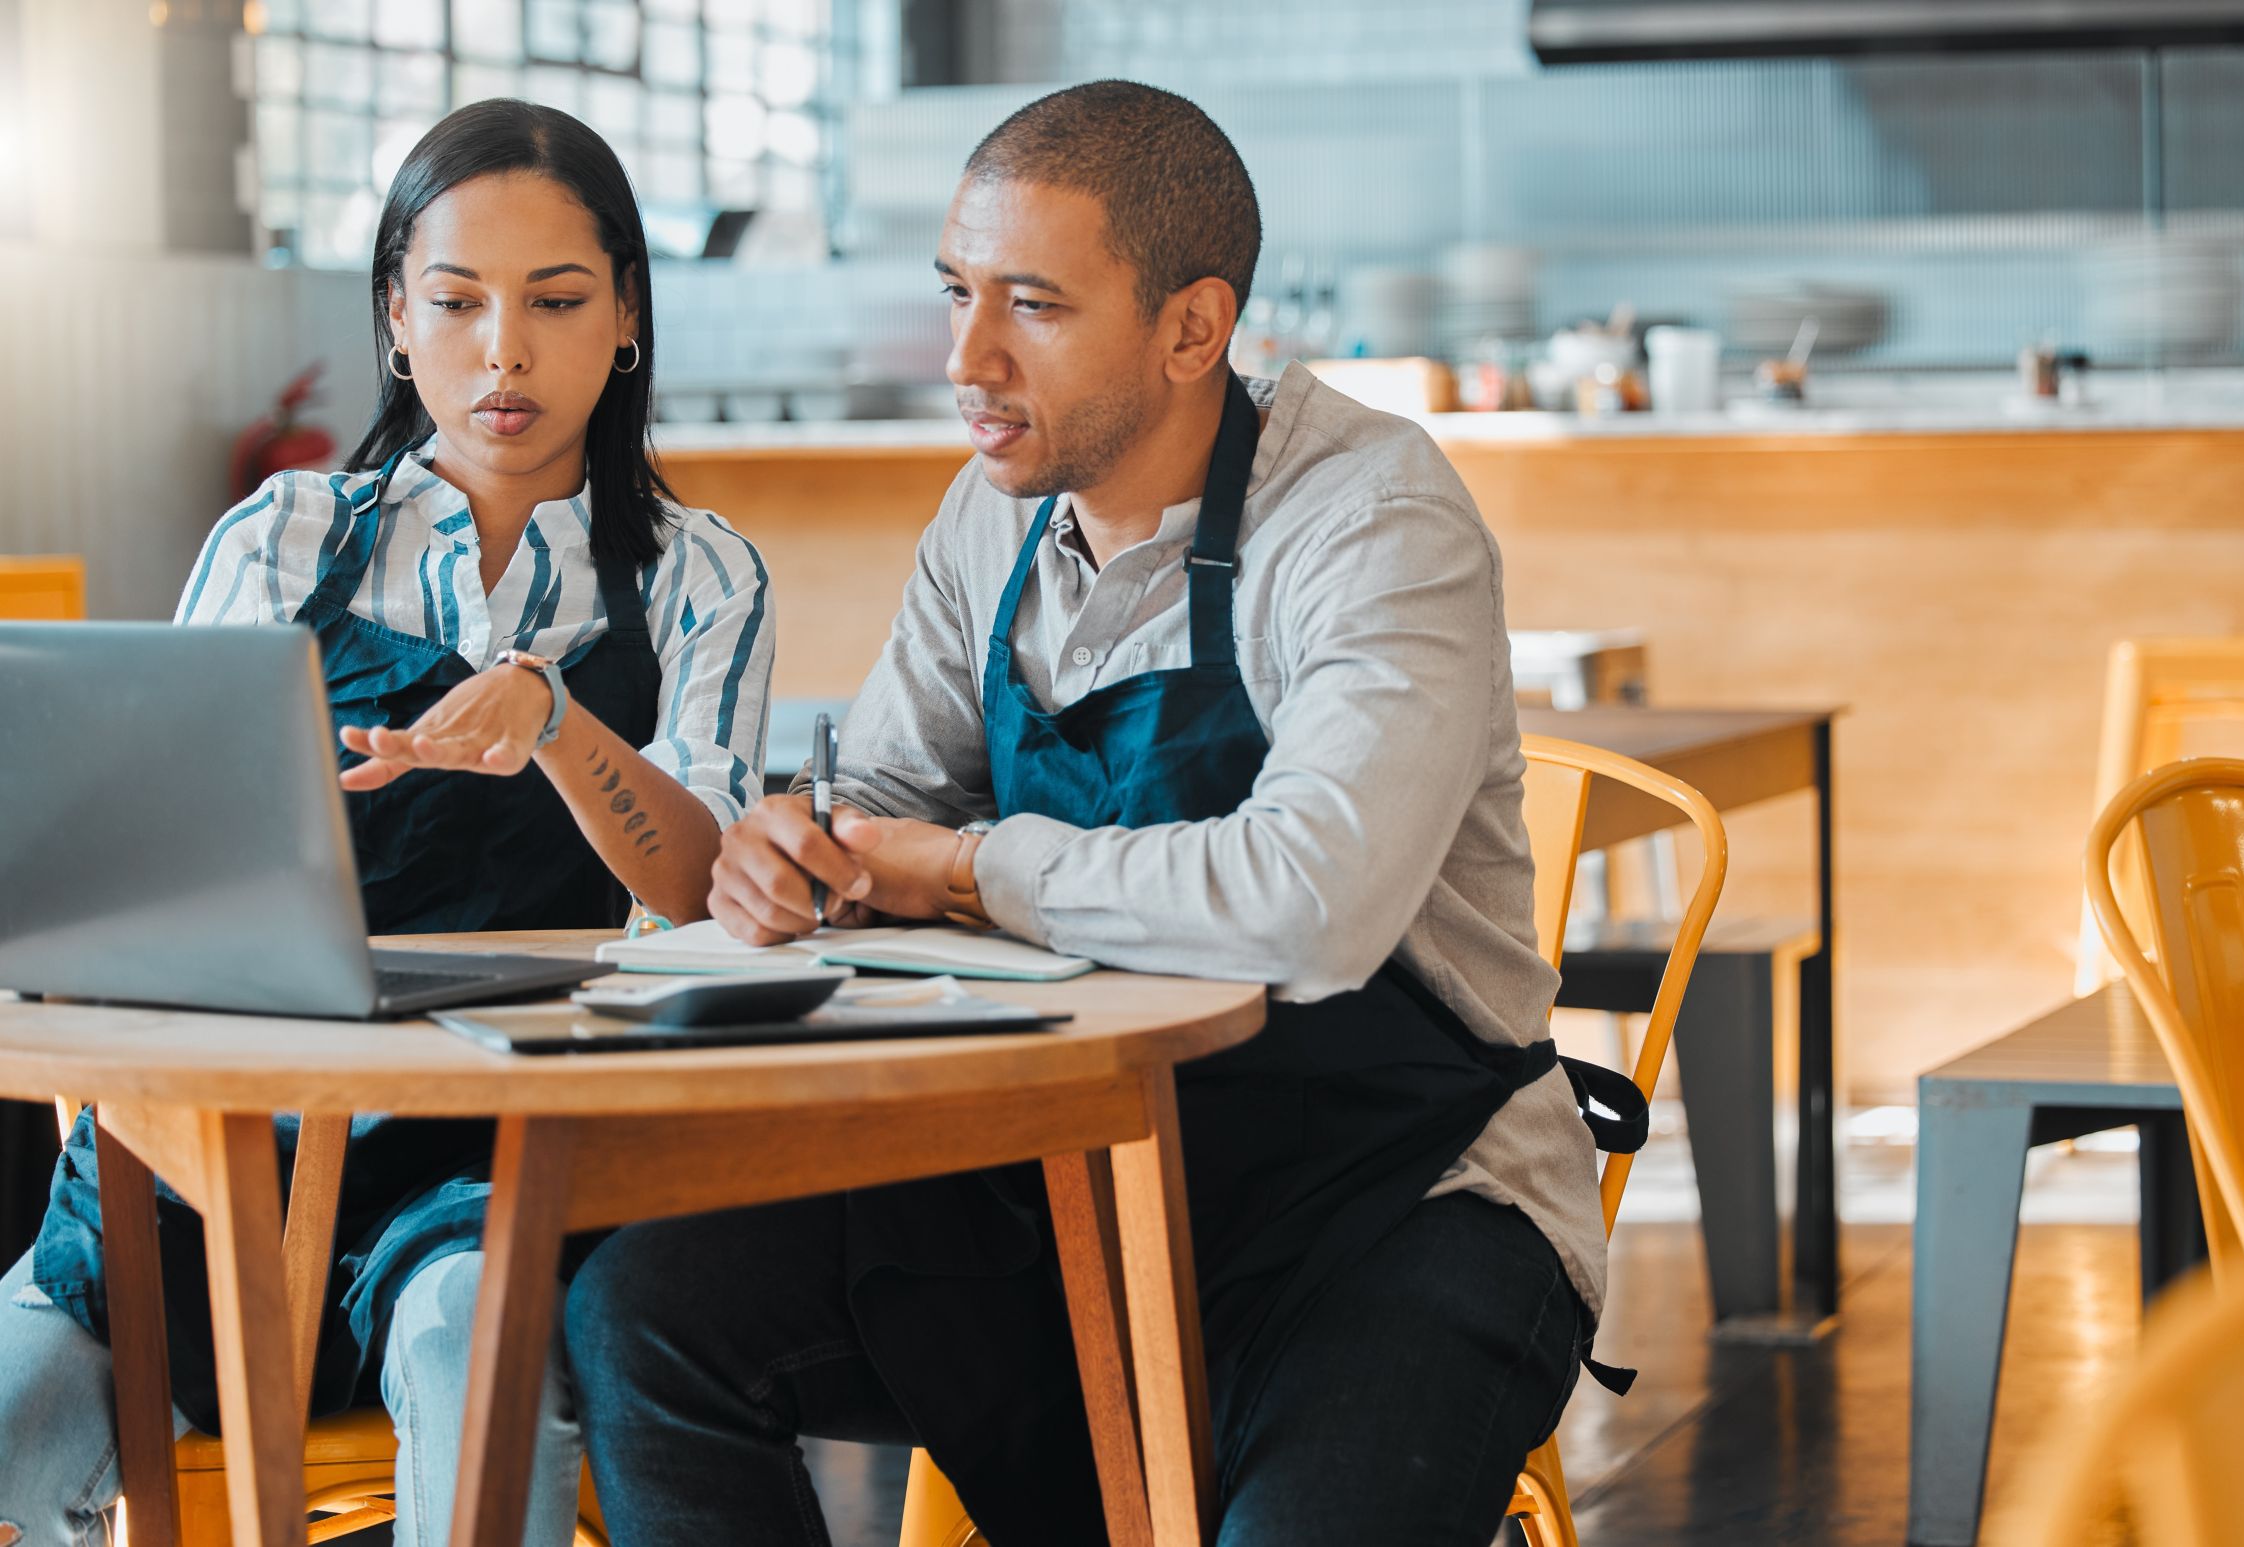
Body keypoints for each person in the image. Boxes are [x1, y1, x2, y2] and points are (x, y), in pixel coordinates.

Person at [562, 81, 1615, 1546]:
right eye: (954, 295)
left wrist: (969, 872)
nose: (967, 360)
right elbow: (877, 802)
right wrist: (794, 860)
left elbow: (1307, 903)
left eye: (1033, 307)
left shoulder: (1372, 520)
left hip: (1399, 1213)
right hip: (1066, 1185)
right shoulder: (992, 512)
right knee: (644, 1310)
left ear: (1193, 328)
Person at [0, 98, 773, 1547]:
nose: (504, 351)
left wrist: (553, 720)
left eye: (556, 301)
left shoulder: (697, 579)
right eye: (457, 300)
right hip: (208, 1168)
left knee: (473, 1355)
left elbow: (705, 883)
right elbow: (144, 864)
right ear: (395, 321)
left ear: (626, 322)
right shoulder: (280, 538)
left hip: (487, 1174)